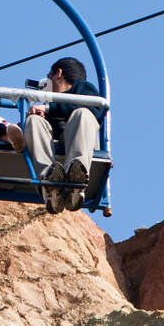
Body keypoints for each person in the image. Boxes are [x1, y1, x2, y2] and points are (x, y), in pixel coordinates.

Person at [23, 57, 106, 214]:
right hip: (54, 146)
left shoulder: (82, 88)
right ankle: (49, 180)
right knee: (33, 121)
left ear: (58, 73)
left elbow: (96, 109)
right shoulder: (47, 104)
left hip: (78, 141)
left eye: (49, 77)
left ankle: (77, 174)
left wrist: (49, 109)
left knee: (82, 113)